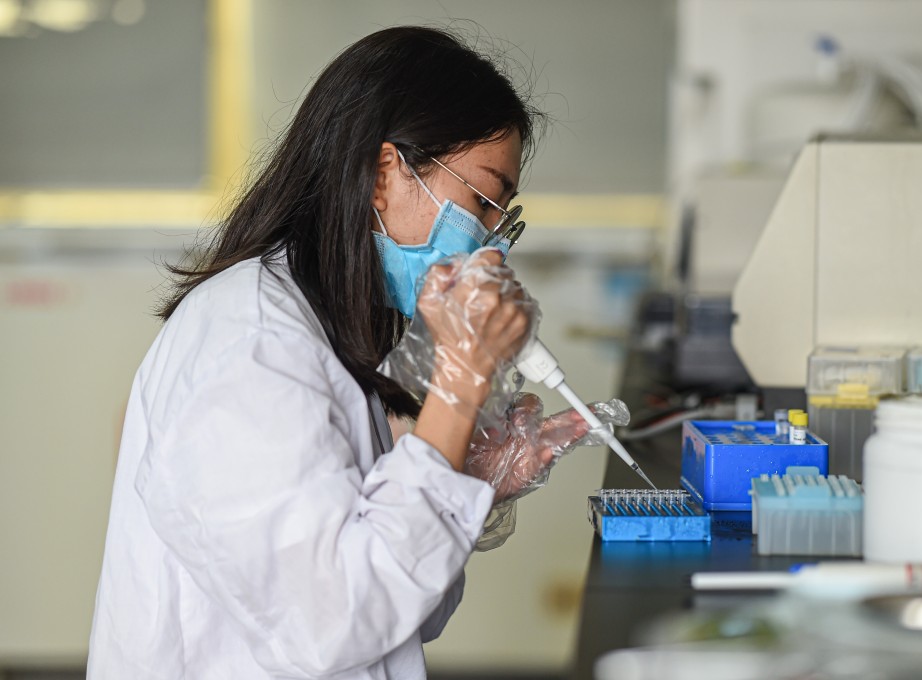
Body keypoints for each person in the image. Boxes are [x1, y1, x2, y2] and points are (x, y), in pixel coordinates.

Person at [87, 25, 606, 680]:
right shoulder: (252, 347)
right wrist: (456, 388)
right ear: (383, 173)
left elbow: (399, 613)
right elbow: (330, 624)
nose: (489, 245)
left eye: (501, 217)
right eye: (480, 202)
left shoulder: (330, 331)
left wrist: (464, 476)